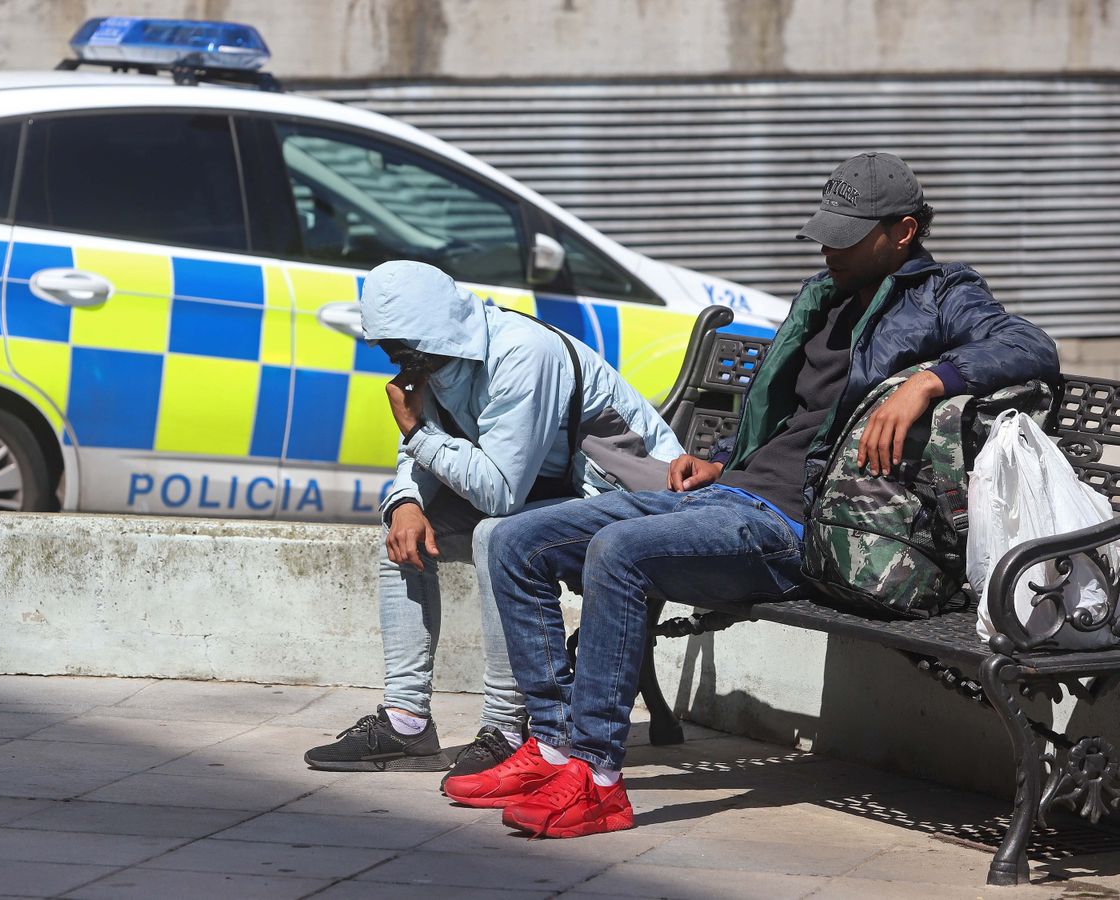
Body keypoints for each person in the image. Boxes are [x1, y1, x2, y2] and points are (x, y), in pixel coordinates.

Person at [448, 152, 1060, 837]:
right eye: (826, 229)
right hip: (728, 498)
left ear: (904, 232)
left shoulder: (943, 296)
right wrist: (719, 461)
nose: (828, 246)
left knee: (618, 552)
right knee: (515, 542)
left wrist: (929, 381)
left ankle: (598, 779)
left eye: (847, 234)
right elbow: (788, 416)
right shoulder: (821, 296)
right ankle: (555, 748)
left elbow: (1030, 346)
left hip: (806, 530)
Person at [303, 260, 683, 777]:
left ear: (434, 334)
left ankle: (505, 728)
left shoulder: (522, 353)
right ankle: (406, 720)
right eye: (388, 353)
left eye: (403, 353)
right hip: (545, 493)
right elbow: (423, 455)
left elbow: (499, 493)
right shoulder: (436, 360)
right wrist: (406, 503)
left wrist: (417, 431)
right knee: (401, 537)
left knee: (495, 534)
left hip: (625, 501)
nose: (398, 366)